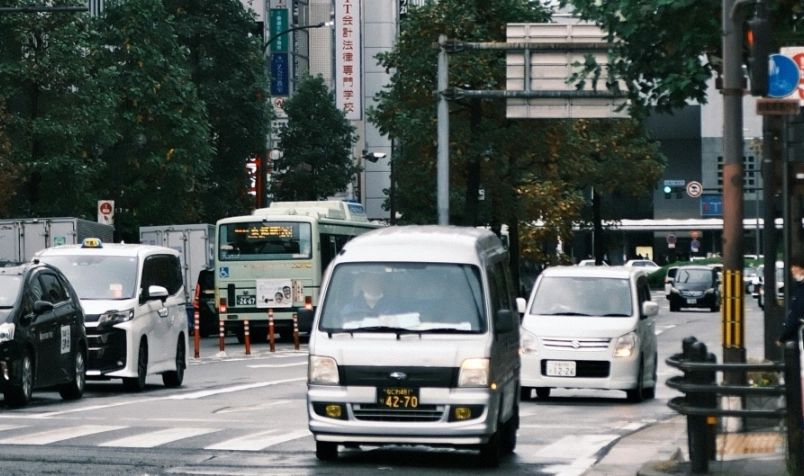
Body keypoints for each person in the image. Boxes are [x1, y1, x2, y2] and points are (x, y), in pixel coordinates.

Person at [777, 253, 804, 346]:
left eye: (795, 266)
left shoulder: (800, 290)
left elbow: (795, 315)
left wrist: (783, 337)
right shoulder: (798, 287)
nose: (792, 269)